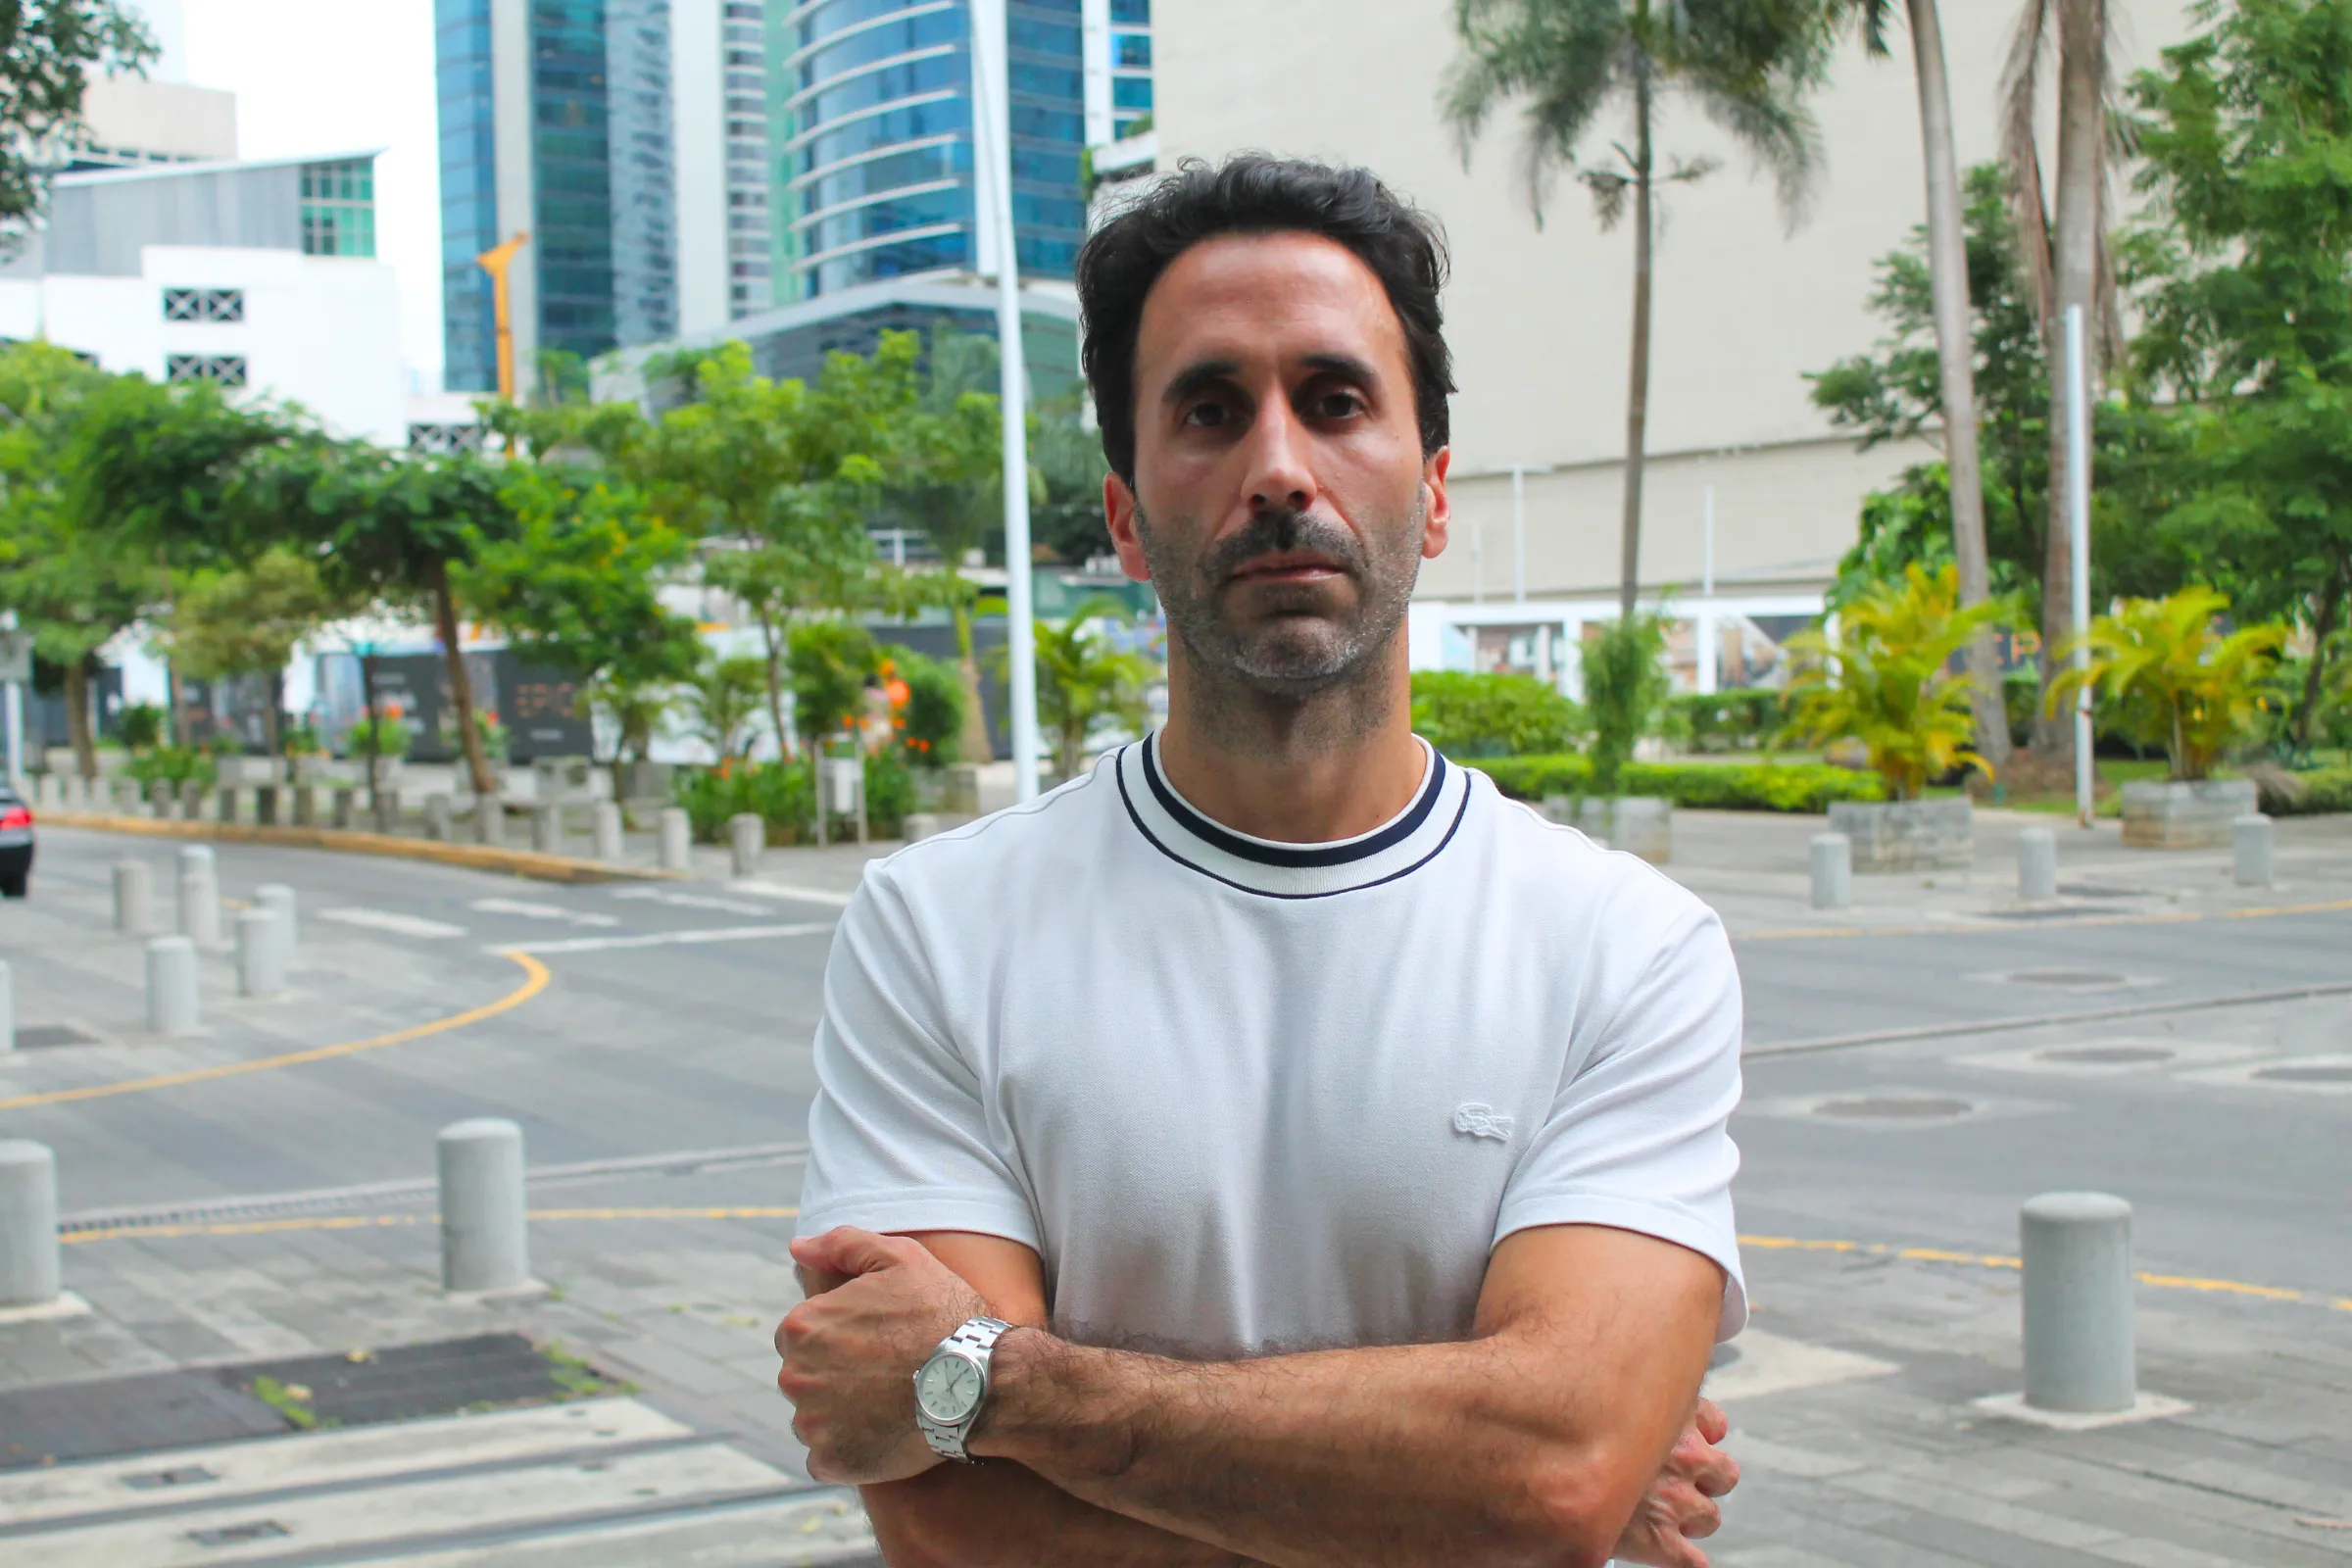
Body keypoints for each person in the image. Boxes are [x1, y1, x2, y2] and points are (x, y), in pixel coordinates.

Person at [776, 155, 1744, 1568]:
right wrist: (1458, 1481)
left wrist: (996, 1382)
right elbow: (953, 1515)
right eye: (1210, 410)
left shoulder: (1624, 946)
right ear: (1123, 518)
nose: (1281, 468)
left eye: (1337, 401)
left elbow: (1548, 1478)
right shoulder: (938, 930)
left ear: (1433, 493)